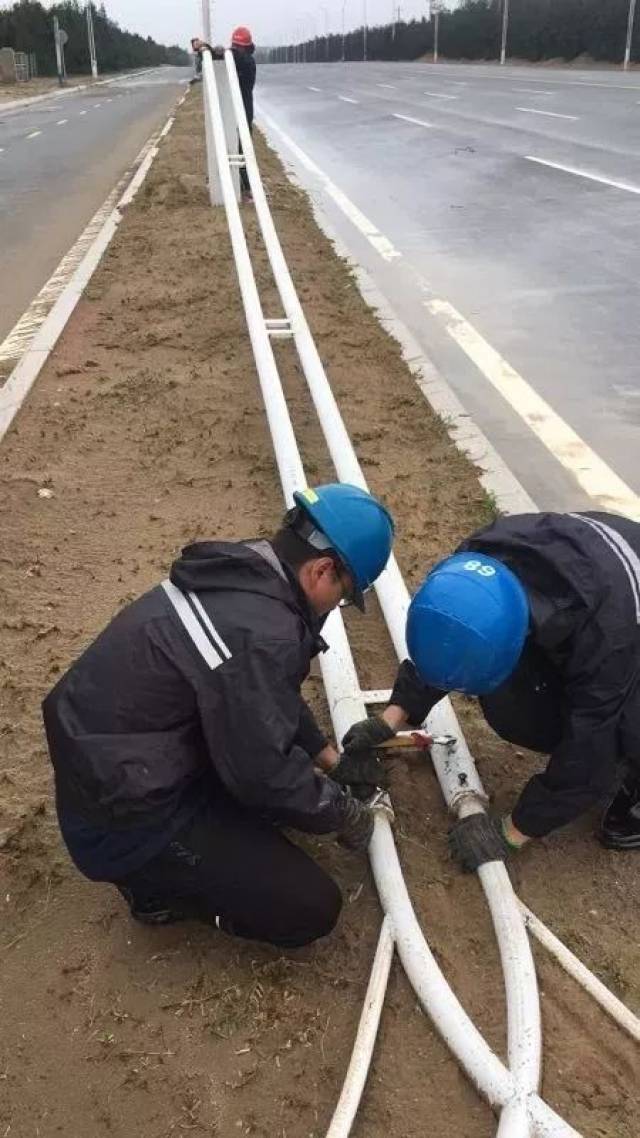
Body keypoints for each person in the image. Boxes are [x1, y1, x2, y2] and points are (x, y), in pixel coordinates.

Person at [43, 484, 395, 948]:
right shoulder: (266, 633)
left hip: (111, 759)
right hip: (126, 819)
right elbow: (261, 771)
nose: (338, 607)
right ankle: (152, 889)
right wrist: (340, 812)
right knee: (310, 907)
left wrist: (328, 758)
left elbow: (265, 695)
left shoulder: (247, 572)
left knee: (271, 798)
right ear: (323, 570)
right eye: (345, 596)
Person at [342, 512, 640, 871]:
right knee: (513, 706)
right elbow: (451, 641)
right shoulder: (476, 562)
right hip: (590, 585)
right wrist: (392, 718)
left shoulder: (609, 637)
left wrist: (511, 831)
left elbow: (591, 740)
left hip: (623, 623)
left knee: (623, 728)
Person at [229, 26, 257, 201]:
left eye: (238, 46)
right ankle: (231, 182)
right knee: (229, 145)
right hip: (231, 109)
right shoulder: (234, 58)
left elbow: (241, 60)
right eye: (234, 45)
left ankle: (248, 188)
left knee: (243, 149)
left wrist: (227, 52)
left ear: (246, 48)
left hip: (244, 110)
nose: (235, 49)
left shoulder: (248, 63)